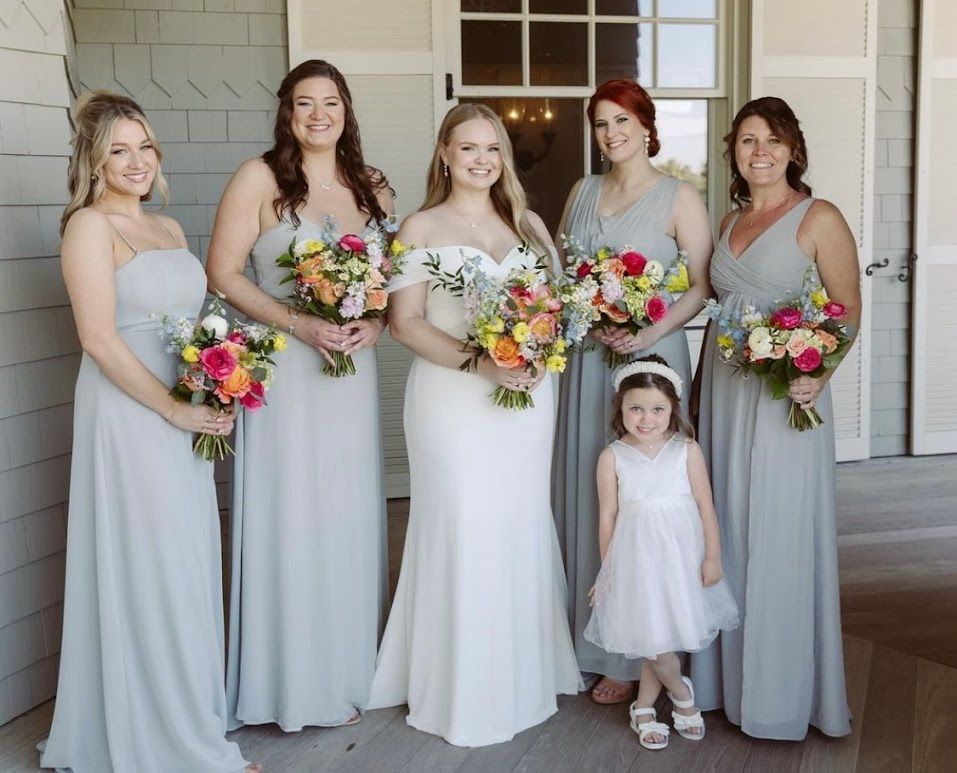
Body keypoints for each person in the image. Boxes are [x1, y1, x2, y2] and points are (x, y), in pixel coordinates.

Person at [39, 91, 256, 773]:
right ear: (94, 162)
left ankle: (190, 719)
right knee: (145, 564)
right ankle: (160, 741)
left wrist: (219, 384)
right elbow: (99, 339)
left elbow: (190, 331)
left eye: (144, 147)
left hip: (183, 413)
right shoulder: (89, 227)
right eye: (119, 150)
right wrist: (173, 409)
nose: (137, 161)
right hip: (131, 417)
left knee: (184, 564)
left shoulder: (169, 228)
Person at [367, 103, 582, 747]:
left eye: (493, 149)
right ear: (444, 153)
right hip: (452, 398)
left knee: (518, 519)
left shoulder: (529, 224)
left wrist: (538, 353)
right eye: (468, 148)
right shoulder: (420, 226)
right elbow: (404, 324)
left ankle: (522, 674)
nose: (482, 160)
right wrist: (481, 362)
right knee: (462, 521)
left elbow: (552, 311)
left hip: (528, 399)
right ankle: (460, 685)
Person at [205, 59, 392, 731]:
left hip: (350, 373)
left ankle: (346, 671)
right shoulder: (259, 178)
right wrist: (299, 322)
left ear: (346, 110)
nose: (319, 114)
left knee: (345, 510)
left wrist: (373, 323)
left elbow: (388, 285)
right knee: (292, 512)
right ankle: (286, 682)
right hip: (287, 372)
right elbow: (222, 272)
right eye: (305, 103)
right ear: (287, 112)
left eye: (331, 102)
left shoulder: (372, 186)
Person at [690, 96, 860, 740]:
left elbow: (846, 308)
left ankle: (779, 698)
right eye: (747, 140)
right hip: (725, 396)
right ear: (733, 151)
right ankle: (725, 685)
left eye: (772, 139)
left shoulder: (819, 217)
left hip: (787, 397)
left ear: (793, 149)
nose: (759, 151)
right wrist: (697, 395)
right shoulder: (729, 220)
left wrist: (820, 373)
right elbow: (719, 316)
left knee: (780, 532)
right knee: (726, 525)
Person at [552, 79, 714, 705]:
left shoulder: (680, 196)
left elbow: (700, 286)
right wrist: (585, 310)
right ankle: (586, 643)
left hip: (651, 355)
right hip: (589, 358)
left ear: (647, 126)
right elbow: (562, 275)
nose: (612, 133)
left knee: (645, 500)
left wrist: (646, 330)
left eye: (622, 120)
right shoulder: (581, 191)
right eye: (601, 123)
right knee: (591, 490)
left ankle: (633, 658)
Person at [584, 356, 739, 750]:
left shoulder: (686, 449)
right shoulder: (612, 456)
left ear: (673, 409)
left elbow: (705, 506)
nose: (646, 419)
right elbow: (608, 517)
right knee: (653, 640)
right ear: (620, 407)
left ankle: (643, 706)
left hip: (681, 558)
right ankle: (682, 695)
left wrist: (713, 557)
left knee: (661, 634)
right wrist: (608, 573)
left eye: (657, 409)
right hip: (637, 560)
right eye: (636, 408)